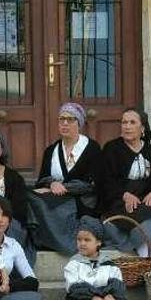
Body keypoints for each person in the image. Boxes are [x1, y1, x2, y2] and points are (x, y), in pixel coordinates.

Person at [99, 108, 151, 271]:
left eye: (132, 122)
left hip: (146, 200)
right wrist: (124, 195)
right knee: (139, 215)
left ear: (142, 128)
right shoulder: (112, 149)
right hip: (120, 202)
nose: (127, 126)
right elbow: (104, 181)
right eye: (124, 122)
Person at [28, 102, 102, 255]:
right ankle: (44, 240)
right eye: (61, 119)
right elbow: (41, 179)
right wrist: (52, 183)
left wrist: (66, 188)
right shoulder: (51, 150)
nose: (65, 123)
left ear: (79, 123)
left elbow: (93, 183)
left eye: (70, 119)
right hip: (55, 195)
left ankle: (64, 242)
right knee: (29, 196)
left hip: (80, 200)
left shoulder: (92, 148)